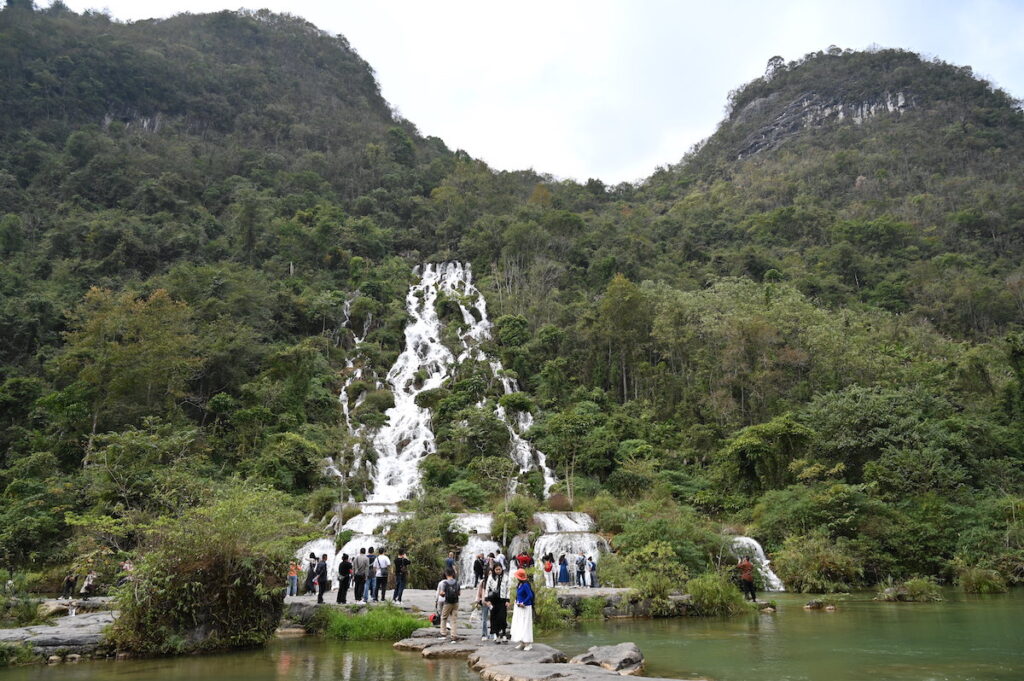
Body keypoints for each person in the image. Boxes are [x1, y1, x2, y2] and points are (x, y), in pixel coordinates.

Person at [510, 568, 534, 651]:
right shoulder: (519, 584)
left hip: (525, 607)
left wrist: (524, 602)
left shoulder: (526, 585)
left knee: (526, 624)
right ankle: (522, 642)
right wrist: (516, 601)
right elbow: (519, 595)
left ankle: (528, 643)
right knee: (520, 623)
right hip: (519, 606)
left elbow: (530, 595)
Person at [485, 563, 510, 642]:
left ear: (502, 569)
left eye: (499, 569)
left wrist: (507, 600)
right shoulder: (491, 577)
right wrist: (487, 600)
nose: (498, 571)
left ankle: (504, 634)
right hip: (493, 600)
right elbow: (487, 588)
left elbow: (508, 589)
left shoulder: (506, 577)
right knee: (494, 618)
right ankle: (496, 635)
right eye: (496, 569)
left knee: (502, 617)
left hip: (502, 600)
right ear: (494, 570)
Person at [437, 567, 460, 642]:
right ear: (453, 574)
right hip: (456, 602)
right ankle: (454, 635)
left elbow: (442, 593)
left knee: (444, 617)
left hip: (448, 603)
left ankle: (443, 633)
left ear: (446, 574)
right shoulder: (457, 582)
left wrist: (442, 594)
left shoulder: (445, 583)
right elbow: (459, 593)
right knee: (454, 619)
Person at [476, 564, 490, 641]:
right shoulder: (483, 582)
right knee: (484, 619)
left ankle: (493, 634)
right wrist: (478, 600)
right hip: (484, 603)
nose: (490, 574)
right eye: (489, 572)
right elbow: (479, 592)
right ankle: (484, 634)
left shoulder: (495, 581)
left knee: (493, 619)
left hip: (492, 603)